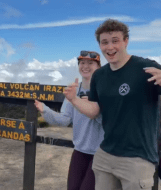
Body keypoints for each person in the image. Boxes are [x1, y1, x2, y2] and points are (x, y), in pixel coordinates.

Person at [63, 19, 161, 190]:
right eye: (105, 42)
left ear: (126, 41)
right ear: (100, 45)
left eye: (115, 40)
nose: (110, 47)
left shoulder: (145, 68)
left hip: (138, 159)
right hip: (105, 155)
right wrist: (74, 99)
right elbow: (94, 111)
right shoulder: (100, 75)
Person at [34, 51, 104, 190]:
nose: (85, 66)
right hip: (79, 150)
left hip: (101, 153)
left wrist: (91, 109)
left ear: (98, 67)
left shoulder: (104, 90)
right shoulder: (74, 90)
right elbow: (64, 120)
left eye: (90, 63)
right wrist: (45, 110)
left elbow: (111, 121)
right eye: (82, 63)